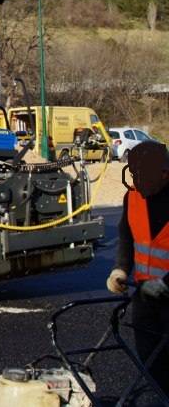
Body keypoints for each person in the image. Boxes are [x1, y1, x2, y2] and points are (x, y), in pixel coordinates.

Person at [107, 140, 169, 394]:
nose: (138, 180)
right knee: (150, 358)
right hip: (145, 297)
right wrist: (120, 269)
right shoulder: (132, 197)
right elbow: (126, 236)